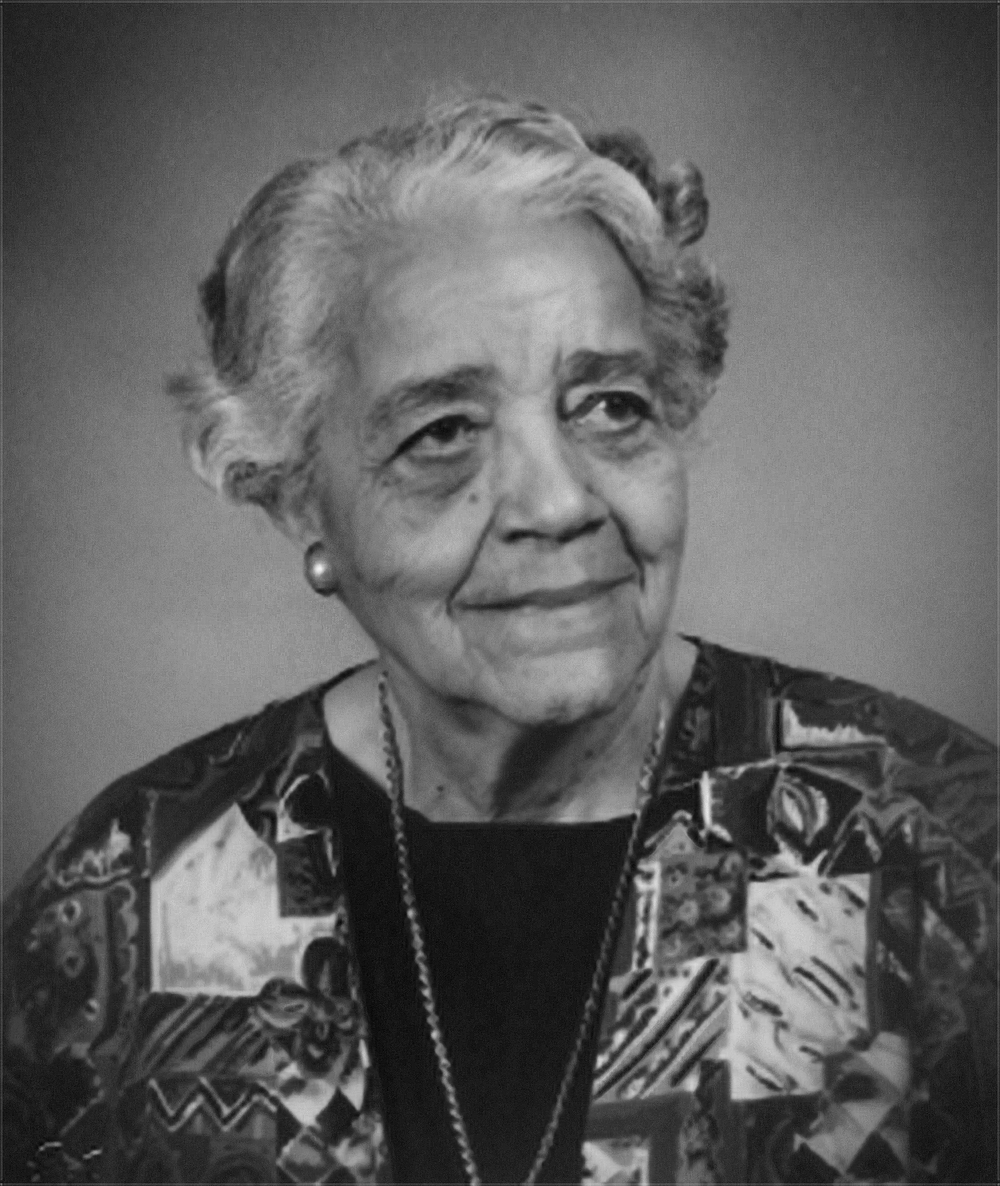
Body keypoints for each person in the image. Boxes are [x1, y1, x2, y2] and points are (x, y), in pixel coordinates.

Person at [2, 94, 995, 1186]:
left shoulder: (936, 856)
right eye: (441, 434)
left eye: (610, 405)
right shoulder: (128, 901)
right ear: (293, 496)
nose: (559, 500)